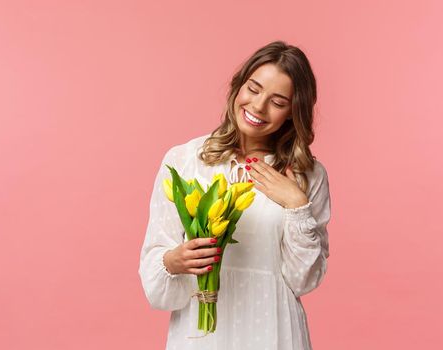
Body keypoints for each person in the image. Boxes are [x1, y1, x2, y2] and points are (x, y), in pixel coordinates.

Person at [138, 41, 332, 350]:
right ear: (238, 85)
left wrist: (297, 205)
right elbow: (155, 280)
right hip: (200, 334)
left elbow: (302, 281)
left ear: (292, 112)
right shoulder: (186, 160)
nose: (258, 106)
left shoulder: (307, 174)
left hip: (274, 331)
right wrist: (175, 261)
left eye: (277, 101)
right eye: (253, 89)